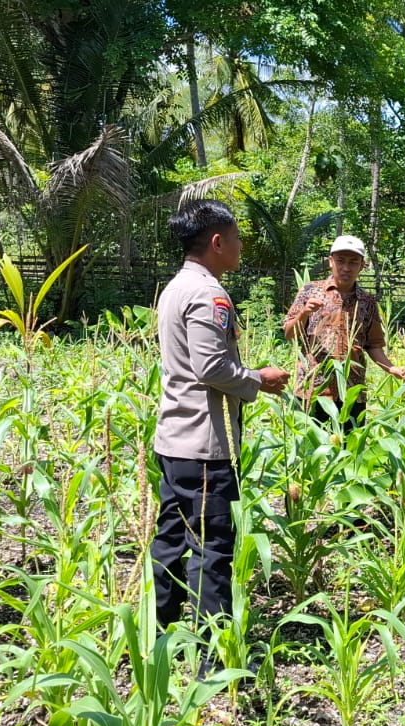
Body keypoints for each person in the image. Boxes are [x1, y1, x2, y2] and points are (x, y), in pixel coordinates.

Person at [151, 199, 290, 638]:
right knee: (211, 548)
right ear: (217, 242)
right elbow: (210, 367)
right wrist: (258, 379)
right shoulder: (208, 294)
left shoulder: (175, 287)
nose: (240, 246)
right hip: (204, 445)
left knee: (170, 539)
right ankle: (212, 655)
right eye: (236, 238)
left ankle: (159, 633)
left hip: (173, 439)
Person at [282, 235, 405, 432]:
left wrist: (391, 368)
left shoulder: (367, 302)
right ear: (330, 261)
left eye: (353, 262)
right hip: (313, 390)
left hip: (351, 393)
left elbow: (373, 345)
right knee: (310, 447)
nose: (346, 268)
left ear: (362, 266)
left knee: (349, 448)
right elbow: (290, 334)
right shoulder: (310, 291)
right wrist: (304, 312)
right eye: (340, 261)